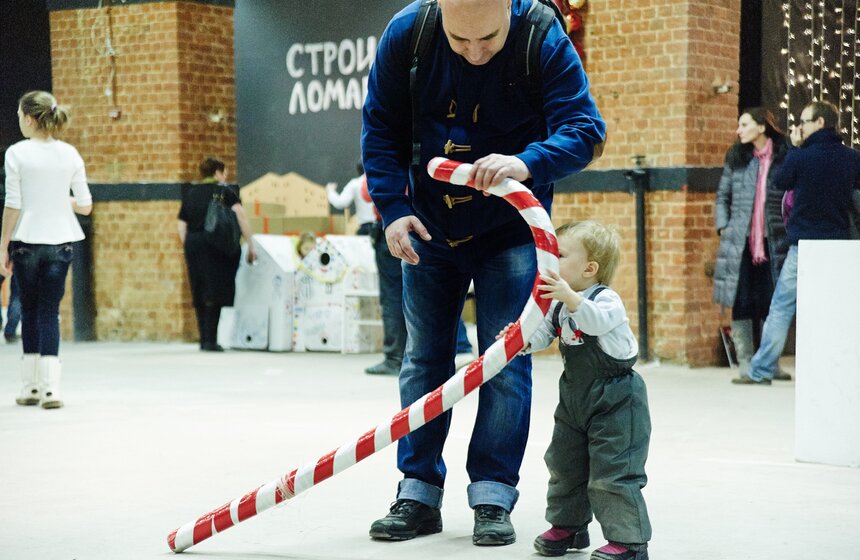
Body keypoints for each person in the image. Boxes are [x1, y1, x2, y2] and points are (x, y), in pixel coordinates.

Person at [362, 0, 605, 545]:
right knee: (423, 360)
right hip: (427, 229)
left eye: (488, 40)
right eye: (460, 41)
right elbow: (381, 129)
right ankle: (417, 493)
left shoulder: (541, 35)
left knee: (505, 361)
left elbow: (586, 130)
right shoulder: (409, 33)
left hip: (512, 233)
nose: (474, 53)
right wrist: (393, 209)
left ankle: (492, 497)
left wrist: (527, 162)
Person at [500, 220, 650, 560]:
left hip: (616, 400)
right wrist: (521, 340)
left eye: (561, 255)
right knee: (564, 464)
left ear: (589, 268)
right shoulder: (558, 304)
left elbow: (594, 322)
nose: (551, 260)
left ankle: (629, 541)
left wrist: (570, 298)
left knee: (613, 470)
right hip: (574, 398)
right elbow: (543, 333)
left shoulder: (606, 300)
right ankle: (569, 526)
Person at [734, 100, 860, 384]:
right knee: (835, 307)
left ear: (820, 123)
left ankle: (762, 369)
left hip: (803, 245)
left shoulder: (800, 157)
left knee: (781, 306)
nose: (799, 127)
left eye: (804, 121)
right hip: (839, 245)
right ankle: (836, 366)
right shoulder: (852, 158)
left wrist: (793, 148)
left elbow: (781, 181)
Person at [0, 90, 93, 409]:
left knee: (28, 309)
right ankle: (52, 390)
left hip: (26, 243)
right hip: (62, 242)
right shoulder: (70, 153)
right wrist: (60, 198)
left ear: (28, 119)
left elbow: (13, 204)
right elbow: (85, 205)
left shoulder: (17, 153)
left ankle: (30, 387)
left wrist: (3, 245)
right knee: (49, 312)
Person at [712, 108, 791, 380]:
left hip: (774, 242)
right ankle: (745, 362)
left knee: (772, 302)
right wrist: (723, 225)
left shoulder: (784, 157)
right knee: (742, 300)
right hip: (740, 243)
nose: (739, 130)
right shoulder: (737, 158)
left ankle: (770, 362)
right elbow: (722, 196)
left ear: (761, 127)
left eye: (744, 124)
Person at [178, 157, 256, 352]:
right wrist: (250, 244)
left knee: (199, 290)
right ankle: (211, 340)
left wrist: (188, 245)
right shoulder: (225, 192)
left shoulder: (191, 193)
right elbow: (241, 217)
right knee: (215, 291)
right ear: (217, 173)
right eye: (224, 172)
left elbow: (181, 224)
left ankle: (203, 339)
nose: (225, 176)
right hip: (216, 245)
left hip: (194, 244)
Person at [326, 163, 377, 236]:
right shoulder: (382, 180)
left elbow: (341, 203)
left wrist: (330, 191)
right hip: (384, 226)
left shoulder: (355, 184)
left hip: (366, 228)